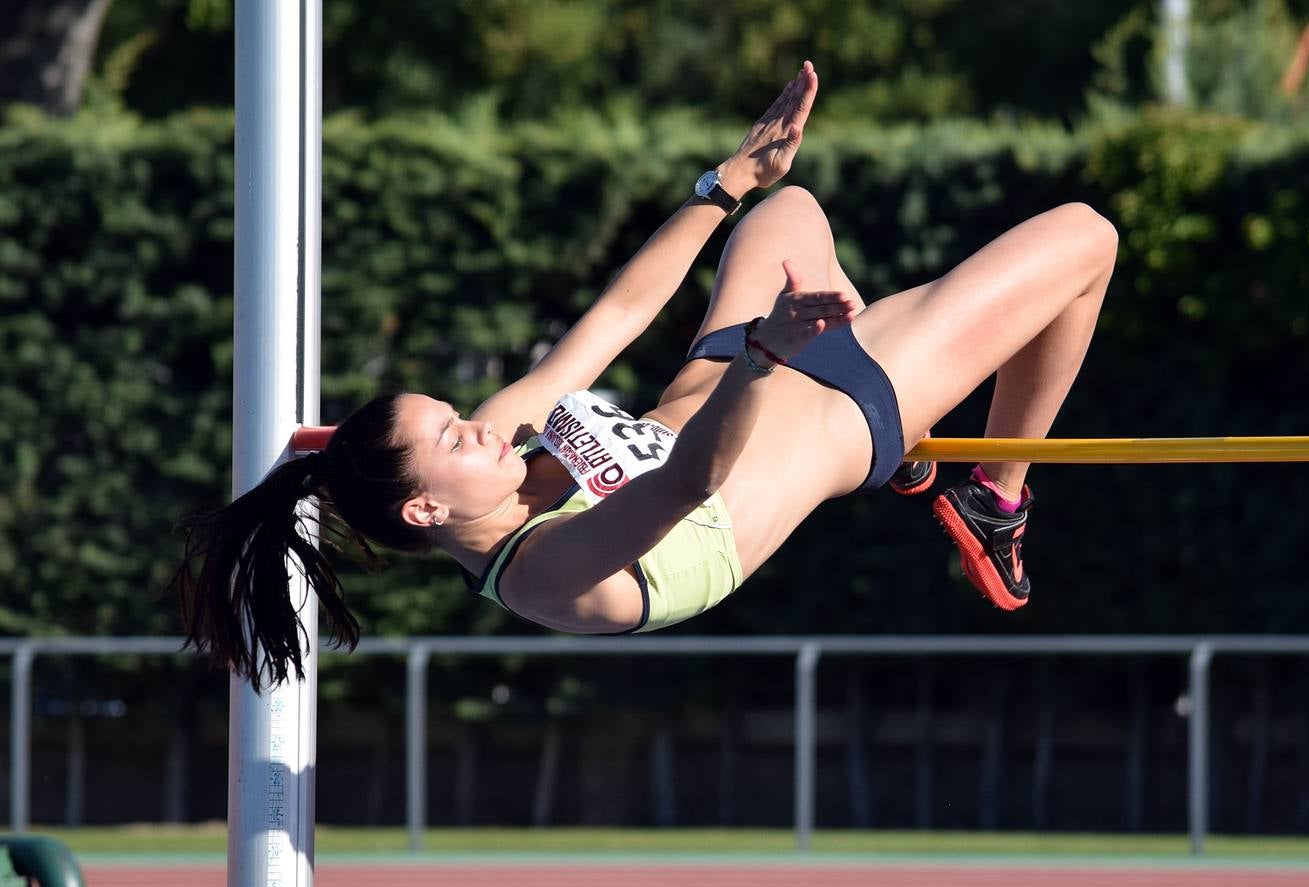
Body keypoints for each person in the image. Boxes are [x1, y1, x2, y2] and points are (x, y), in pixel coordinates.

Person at [174, 61, 1117, 690]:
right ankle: (998, 499)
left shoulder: (499, 446)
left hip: (735, 376)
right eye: (454, 436)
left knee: (789, 211)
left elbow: (617, 318)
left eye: (460, 411)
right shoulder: (550, 578)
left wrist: (727, 182)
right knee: (1085, 238)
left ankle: (909, 443)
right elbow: (688, 480)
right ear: (426, 509)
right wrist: (766, 356)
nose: (482, 426)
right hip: (832, 411)